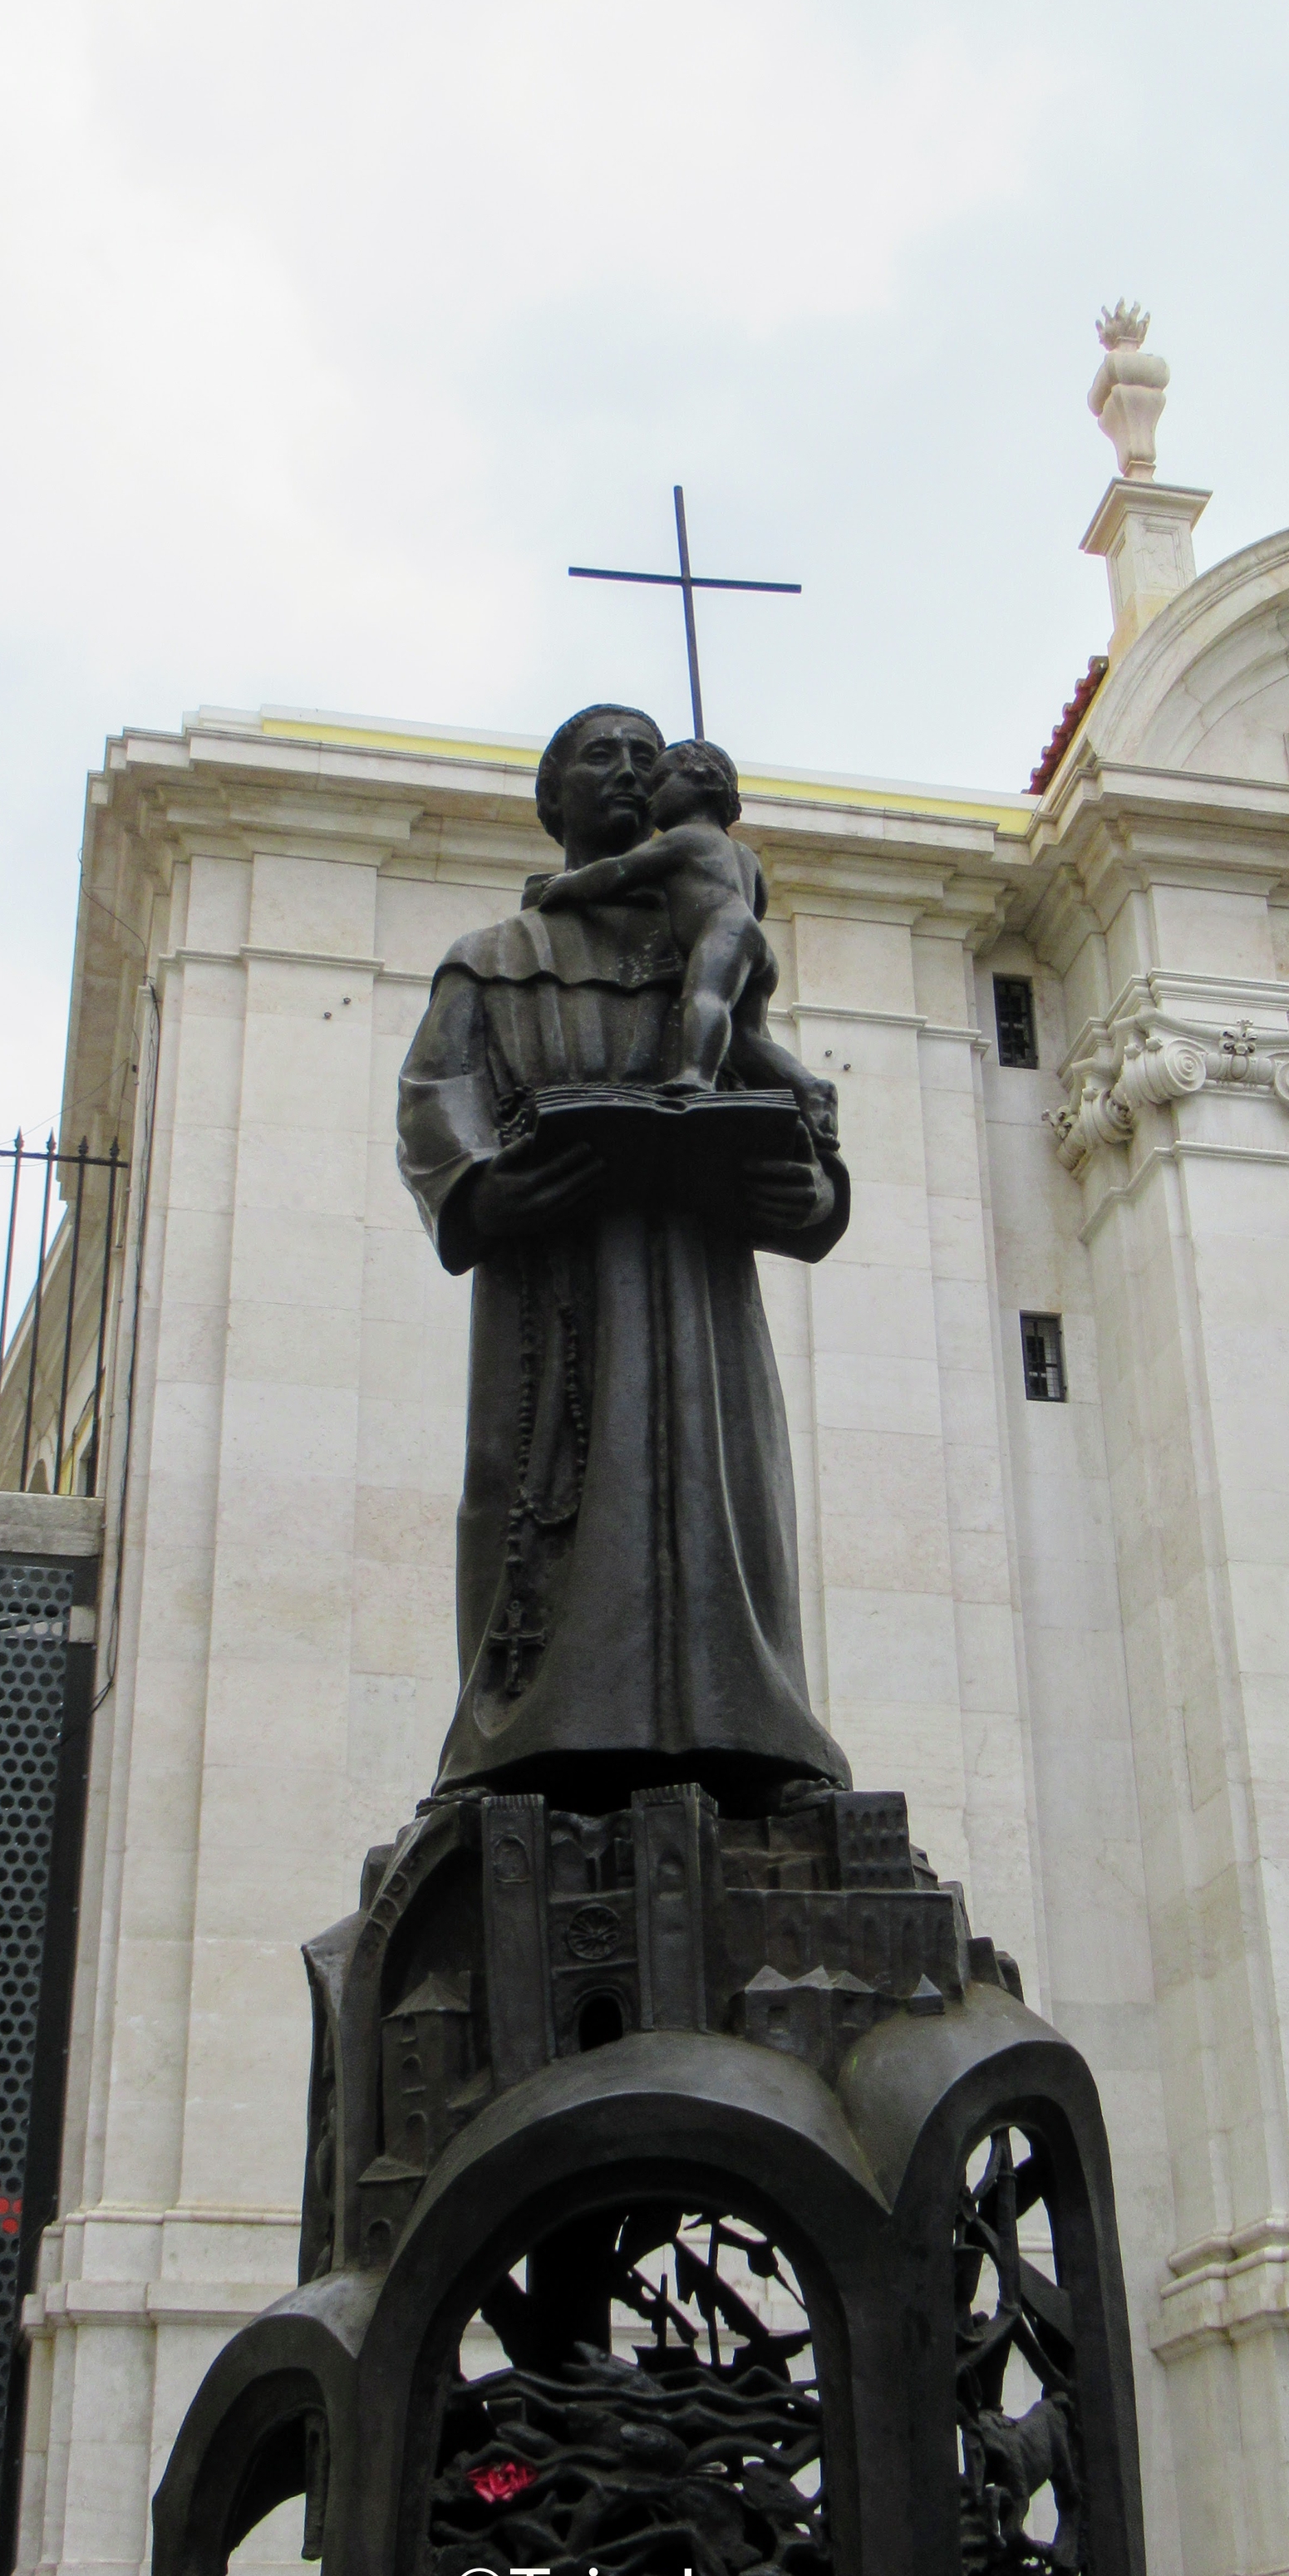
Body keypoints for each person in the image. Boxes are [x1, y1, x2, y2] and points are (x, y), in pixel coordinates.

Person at [396, 702, 853, 1813]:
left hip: (702, 1309)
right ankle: (532, 1737)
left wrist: (812, 1189)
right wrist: (489, 1186)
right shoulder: (493, 960)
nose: (630, 771)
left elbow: (797, 1137)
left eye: (648, 757)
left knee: (721, 1501)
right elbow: (433, 1106)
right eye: (601, 754)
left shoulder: (705, 949)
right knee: (553, 1504)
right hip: (557, 1302)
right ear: (551, 795)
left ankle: (754, 1740)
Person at [533, 739, 837, 1141]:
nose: (650, 796)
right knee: (746, 1040)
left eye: (660, 781)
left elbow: (620, 871)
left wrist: (569, 886)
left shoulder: (684, 838)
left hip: (723, 933)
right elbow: (758, 902)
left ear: (700, 782)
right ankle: (811, 1089)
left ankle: (696, 1075)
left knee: (704, 999)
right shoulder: (743, 853)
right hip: (752, 943)